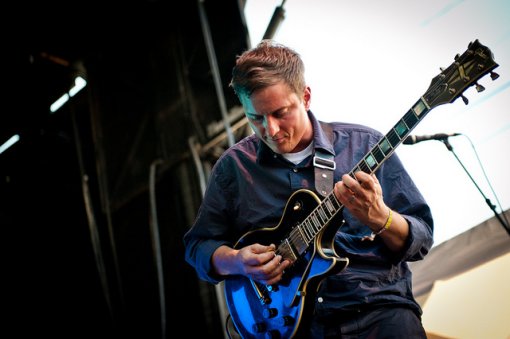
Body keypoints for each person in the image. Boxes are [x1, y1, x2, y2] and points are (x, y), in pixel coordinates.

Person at [183, 40, 434, 338]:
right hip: (294, 327)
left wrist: (381, 218)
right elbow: (198, 247)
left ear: (306, 96)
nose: (271, 130)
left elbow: (421, 240)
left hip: (379, 313)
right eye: (256, 118)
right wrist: (236, 261)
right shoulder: (233, 168)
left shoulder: (364, 146)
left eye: (280, 113)